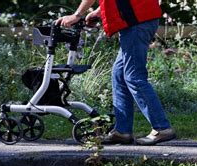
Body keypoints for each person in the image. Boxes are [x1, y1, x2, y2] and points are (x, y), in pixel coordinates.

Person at [56, 0, 176, 145]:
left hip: (136, 22)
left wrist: (77, 15)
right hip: (138, 19)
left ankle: (162, 127)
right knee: (119, 75)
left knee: (134, 77)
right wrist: (98, 12)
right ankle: (122, 131)